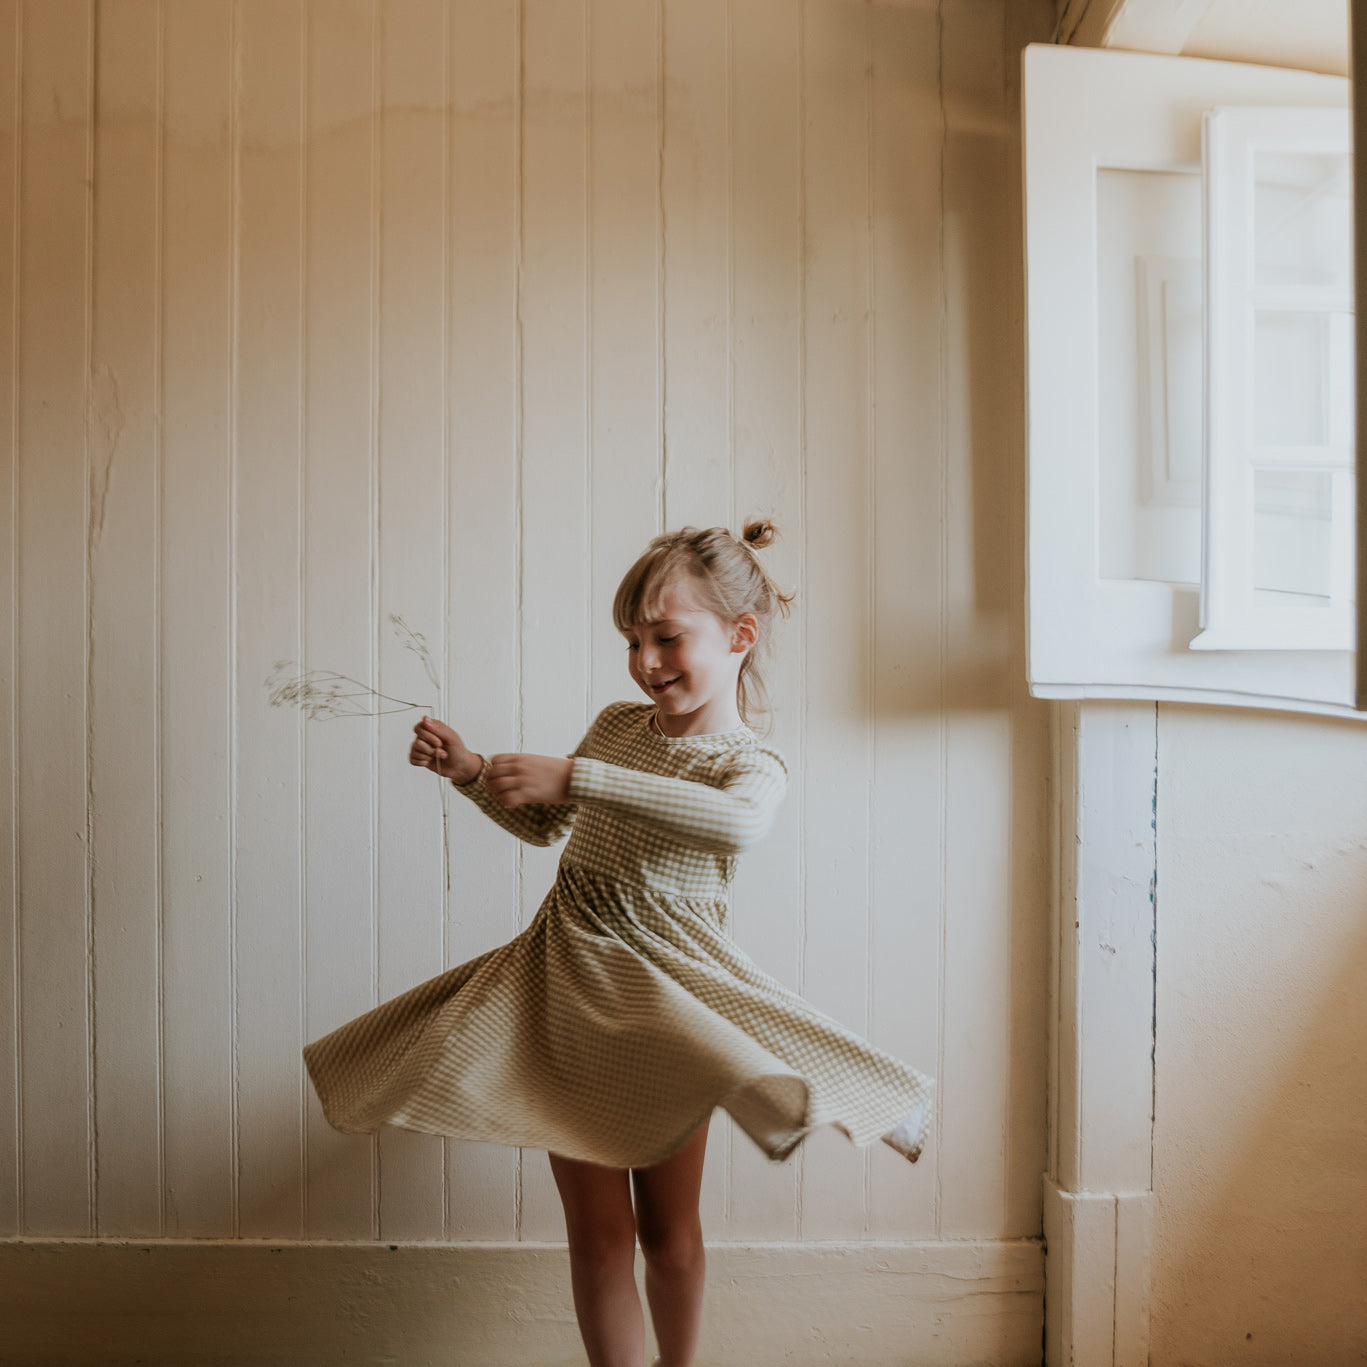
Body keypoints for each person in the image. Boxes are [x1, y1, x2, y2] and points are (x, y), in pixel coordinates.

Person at [303, 520, 933, 1367]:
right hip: (566, 997)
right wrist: (472, 772)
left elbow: (740, 826)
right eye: (631, 640)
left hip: (661, 1013)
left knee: (669, 1236)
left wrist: (578, 776)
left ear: (739, 637)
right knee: (598, 1240)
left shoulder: (747, 765)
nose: (644, 660)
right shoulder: (615, 727)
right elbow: (549, 827)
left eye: (666, 636)